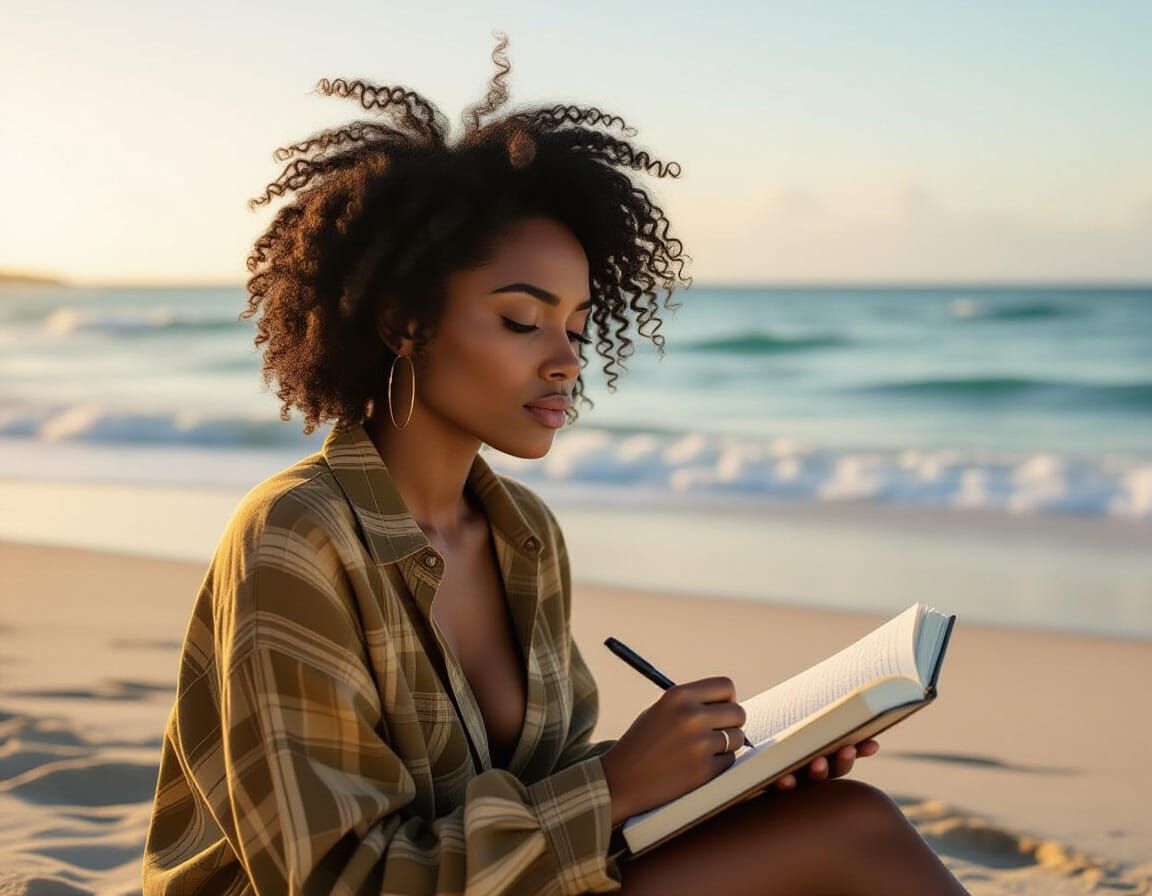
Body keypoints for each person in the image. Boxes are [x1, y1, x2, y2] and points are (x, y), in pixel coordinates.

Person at [141, 32, 969, 896]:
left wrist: (720, 775)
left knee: (829, 817)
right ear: (401, 319)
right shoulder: (296, 537)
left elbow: (538, 804)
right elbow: (335, 878)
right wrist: (614, 787)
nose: (567, 359)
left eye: (576, 326)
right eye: (520, 320)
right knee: (854, 832)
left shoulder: (524, 534)